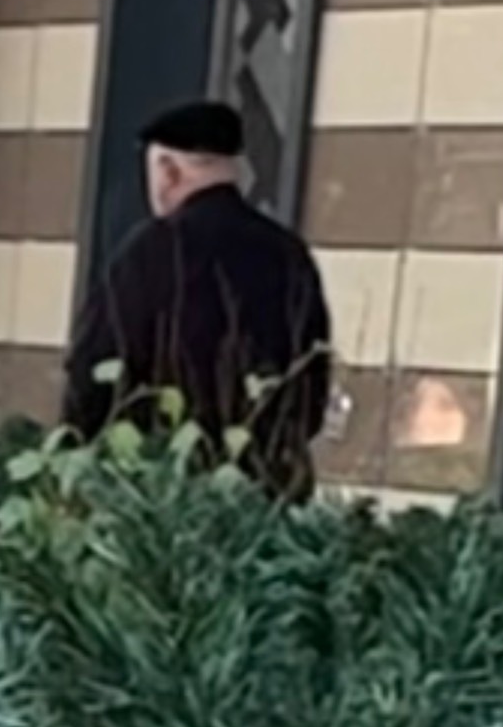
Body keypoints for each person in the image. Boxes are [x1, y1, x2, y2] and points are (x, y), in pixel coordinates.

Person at [62, 100, 335, 495]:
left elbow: (95, 367)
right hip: (266, 492)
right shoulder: (289, 255)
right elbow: (312, 377)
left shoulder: (152, 251)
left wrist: (80, 460)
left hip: (160, 494)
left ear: (169, 172)